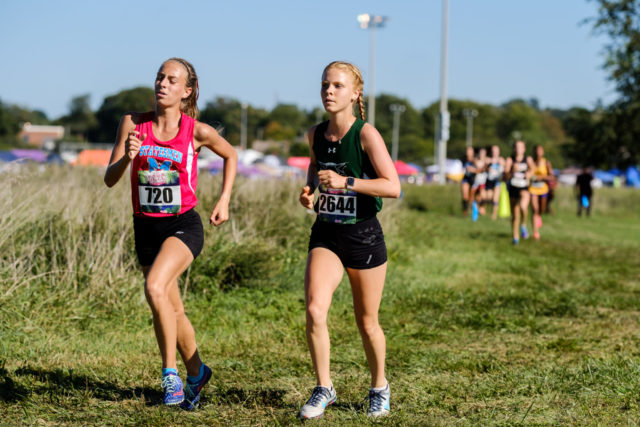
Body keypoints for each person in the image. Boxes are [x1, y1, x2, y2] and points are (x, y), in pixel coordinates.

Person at [104, 58, 237, 409]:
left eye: (171, 79)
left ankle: (170, 376)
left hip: (182, 225)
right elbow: (109, 178)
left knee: (154, 288)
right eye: (159, 77)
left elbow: (231, 155)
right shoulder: (132, 125)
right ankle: (198, 372)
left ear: (186, 91)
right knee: (172, 309)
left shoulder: (196, 131)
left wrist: (224, 199)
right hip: (145, 225)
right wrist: (126, 159)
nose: (162, 83)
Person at [297, 61, 401, 419]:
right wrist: (309, 192)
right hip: (327, 231)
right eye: (325, 84)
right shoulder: (314, 134)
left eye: (338, 86)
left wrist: (348, 183)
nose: (329, 91)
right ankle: (324, 387)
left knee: (367, 321)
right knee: (314, 309)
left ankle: (379, 387)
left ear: (355, 93)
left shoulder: (366, 134)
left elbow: (393, 187)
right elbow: (314, 169)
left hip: (363, 234)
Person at [504, 140, 534, 244]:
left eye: (520, 147)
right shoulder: (509, 160)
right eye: (516, 147)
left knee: (523, 207)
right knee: (515, 215)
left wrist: (529, 174)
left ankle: (523, 224)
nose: (518, 149)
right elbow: (505, 176)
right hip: (513, 188)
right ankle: (515, 236)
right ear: (514, 149)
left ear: (524, 149)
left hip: (524, 187)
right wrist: (512, 171)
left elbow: (533, 170)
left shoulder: (528, 159)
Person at [528, 145, 554, 239]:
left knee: (541, 209)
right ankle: (536, 232)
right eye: (537, 150)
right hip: (532, 189)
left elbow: (552, 176)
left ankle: (539, 216)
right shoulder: (531, 162)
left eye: (540, 150)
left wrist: (542, 177)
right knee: (534, 209)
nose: (538, 152)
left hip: (543, 189)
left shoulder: (546, 163)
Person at [485, 144, 505, 220]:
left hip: (497, 181)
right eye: (493, 151)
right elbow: (484, 164)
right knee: (489, 197)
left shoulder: (501, 160)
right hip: (489, 181)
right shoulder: (488, 159)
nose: (494, 152)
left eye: (496, 151)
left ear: (498, 152)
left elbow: (505, 166)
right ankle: (486, 210)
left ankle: (494, 215)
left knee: (495, 198)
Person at [470, 146, 488, 221]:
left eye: (483, 153)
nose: (482, 154)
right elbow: (479, 168)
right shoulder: (475, 160)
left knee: (483, 196)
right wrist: (477, 170)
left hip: (482, 182)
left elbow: (481, 169)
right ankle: (476, 209)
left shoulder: (486, 161)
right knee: (475, 197)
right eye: (481, 153)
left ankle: (482, 208)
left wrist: (474, 170)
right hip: (476, 181)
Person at [461, 146, 477, 217]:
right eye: (467, 151)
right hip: (465, 179)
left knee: (471, 197)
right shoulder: (463, 160)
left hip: (473, 180)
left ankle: (472, 210)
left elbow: (479, 169)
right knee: (465, 196)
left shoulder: (475, 160)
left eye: (470, 151)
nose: (468, 152)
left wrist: (472, 169)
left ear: (473, 152)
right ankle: (465, 211)